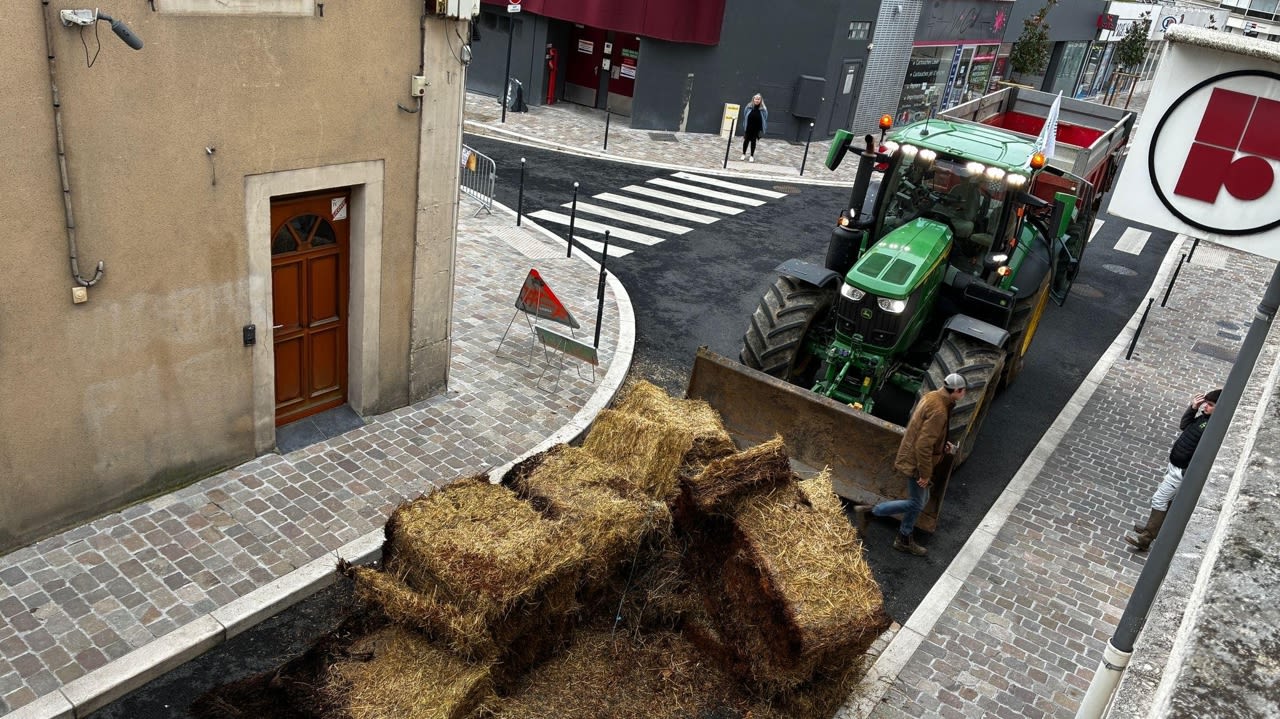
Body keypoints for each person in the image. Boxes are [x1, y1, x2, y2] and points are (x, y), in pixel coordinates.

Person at [854, 373, 967, 556]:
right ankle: (873, 514)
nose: (964, 394)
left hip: (912, 456)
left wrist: (942, 442)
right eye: (963, 391)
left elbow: (925, 431)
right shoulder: (939, 410)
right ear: (956, 391)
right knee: (916, 503)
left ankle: (904, 536)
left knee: (921, 500)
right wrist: (924, 474)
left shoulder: (932, 396)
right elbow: (923, 445)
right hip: (917, 463)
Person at [1126, 389, 1220, 551]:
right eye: (1206, 403)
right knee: (1167, 501)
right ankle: (1154, 528)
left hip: (1181, 472)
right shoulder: (1205, 418)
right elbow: (1184, 425)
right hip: (1174, 466)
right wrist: (1193, 408)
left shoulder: (1214, 427)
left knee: (1159, 499)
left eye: (1210, 405)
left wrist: (1186, 472)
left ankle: (1146, 538)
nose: (1205, 406)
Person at [740, 94, 767, 162]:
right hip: (749, 127)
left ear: (760, 100)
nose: (757, 100)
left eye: (758, 99)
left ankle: (751, 156)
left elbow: (765, 117)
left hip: (756, 128)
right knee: (746, 140)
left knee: (753, 141)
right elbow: (745, 114)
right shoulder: (748, 107)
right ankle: (743, 154)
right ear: (753, 99)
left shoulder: (763, 109)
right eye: (756, 99)